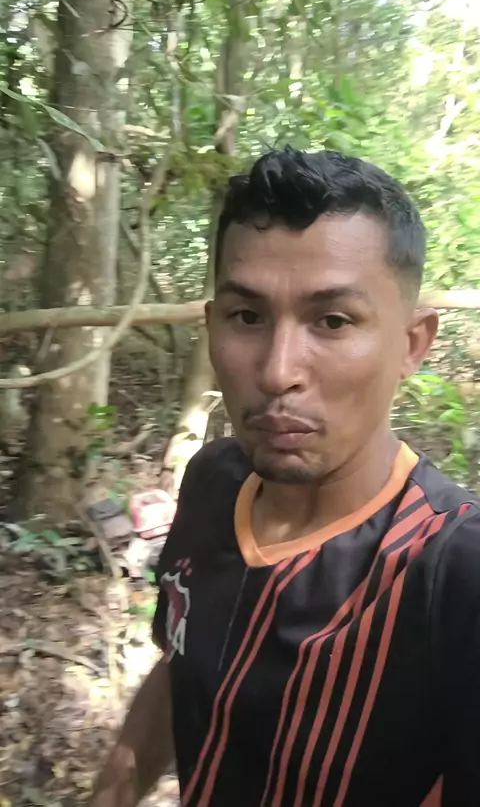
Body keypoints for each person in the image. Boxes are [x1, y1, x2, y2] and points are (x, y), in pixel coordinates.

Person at [91, 147, 480, 807]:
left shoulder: (453, 576)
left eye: (332, 321)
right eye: (247, 317)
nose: (277, 372)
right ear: (212, 325)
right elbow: (179, 662)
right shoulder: (213, 482)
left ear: (412, 344)